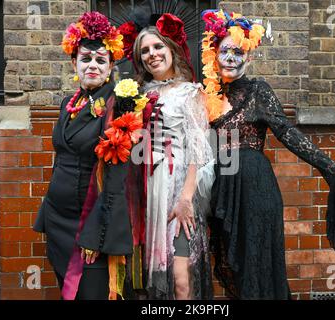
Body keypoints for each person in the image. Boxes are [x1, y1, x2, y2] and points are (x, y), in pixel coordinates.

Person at [201, 10, 335, 299]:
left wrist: (331, 168)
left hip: (254, 187)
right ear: (215, 54)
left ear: (248, 57)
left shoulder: (257, 91)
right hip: (223, 190)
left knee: (257, 268)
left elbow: (287, 132)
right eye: (225, 50)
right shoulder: (208, 95)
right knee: (233, 270)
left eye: (238, 52)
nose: (231, 58)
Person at [33, 11, 131, 300]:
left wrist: (96, 233)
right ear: (73, 62)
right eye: (86, 58)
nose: (92, 65)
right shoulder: (69, 103)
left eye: (101, 60)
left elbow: (116, 179)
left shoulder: (118, 106)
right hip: (57, 219)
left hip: (87, 224)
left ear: (111, 65)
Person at [118, 12, 215, 299]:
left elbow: (200, 149)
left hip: (181, 191)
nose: (152, 54)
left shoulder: (191, 92)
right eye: (145, 50)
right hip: (147, 193)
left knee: (180, 279)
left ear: (171, 49)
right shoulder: (137, 94)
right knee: (149, 277)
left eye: (158, 47)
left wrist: (186, 199)